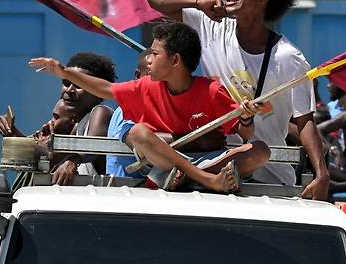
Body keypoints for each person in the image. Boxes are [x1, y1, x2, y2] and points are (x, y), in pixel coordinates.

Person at [146, 0, 329, 200]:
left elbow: (305, 121)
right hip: (213, 163)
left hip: (269, 178)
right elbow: (154, 0)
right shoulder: (210, 26)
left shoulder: (288, 58)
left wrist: (322, 174)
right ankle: (197, 175)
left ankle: (187, 174)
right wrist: (198, 2)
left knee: (259, 150)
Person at [29, 22, 270, 193]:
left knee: (261, 150)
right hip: (166, 165)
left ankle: (186, 179)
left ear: (175, 61)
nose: (150, 59)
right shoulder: (145, 87)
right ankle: (206, 181)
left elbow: (245, 134)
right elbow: (105, 89)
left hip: (202, 163)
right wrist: (63, 70)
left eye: (155, 53)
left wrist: (247, 117)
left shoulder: (212, 91)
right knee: (137, 134)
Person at [0, 52, 116, 185]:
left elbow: (95, 145)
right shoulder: (76, 125)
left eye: (78, 85)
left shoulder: (101, 112)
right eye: (66, 83)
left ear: (97, 89)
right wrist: (11, 132)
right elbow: (47, 157)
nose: (69, 90)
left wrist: (72, 161)